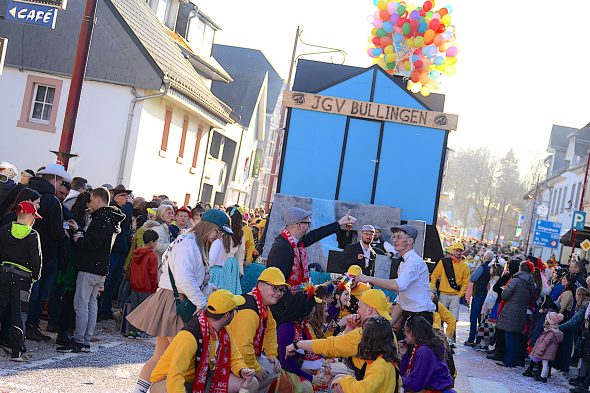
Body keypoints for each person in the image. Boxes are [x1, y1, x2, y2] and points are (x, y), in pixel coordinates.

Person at [127, 209, 232, 393]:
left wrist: (209, 288)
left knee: (162, 355)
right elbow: (184, 279)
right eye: (218, 232)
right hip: (176, 301)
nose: (218, 237)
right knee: (181, 355)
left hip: (174, 300)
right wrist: (202, 302)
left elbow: (191, 278)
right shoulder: (188, 243)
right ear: (208, 226)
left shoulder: (193, 242)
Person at [149, 290, 258, 393]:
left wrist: (241, 370)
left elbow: (235, 357)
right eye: (235, 310)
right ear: (226, 315)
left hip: (201, 378)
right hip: (166, 380)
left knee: (251, 383)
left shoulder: (225, 332)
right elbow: (175, 375)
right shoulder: (189, 336)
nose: (236, 313)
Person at [57, 187, 125, 353]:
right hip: (100, 268)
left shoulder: (101, 218)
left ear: (99, 200)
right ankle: (86, 340)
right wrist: (79, 231)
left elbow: (92, 243)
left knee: (81, 304)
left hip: (89, 267)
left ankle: (79, 340)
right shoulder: (111, 218)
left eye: (92, 199)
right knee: (92, 304)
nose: (90, 202)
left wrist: (79, 238)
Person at [285, 289, 394, 380]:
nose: (357, 311)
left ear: (369, 310)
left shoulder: (367, 332)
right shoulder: (385, 329)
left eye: (359, 307)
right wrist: (350, 327)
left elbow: (332, 347)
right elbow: (342, 344)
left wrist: (297, 344)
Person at [26, 163, 72, 342]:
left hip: (31, 249)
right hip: (49, 254)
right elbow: (56, 231)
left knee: (32, 291)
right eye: (59, 180)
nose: (60, 184)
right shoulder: (52, 201)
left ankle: (26, 325)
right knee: (40, 293)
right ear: (53, 180)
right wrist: (66, 232)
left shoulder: (30, 193)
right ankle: (32, 325)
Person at [355, 224, 435, 325]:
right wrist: (388, 325)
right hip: (411, 315)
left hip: (421, 317)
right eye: (394, 237)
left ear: (410, 241)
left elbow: (397, 286)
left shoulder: (414, 262)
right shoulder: (403, 262)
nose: (394, 240)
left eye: (399, 237)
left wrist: (368, 279)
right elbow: (402, 300)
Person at [267, 207, 356, 293]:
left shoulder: (298, 242)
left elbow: (318, 233)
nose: (309, 227)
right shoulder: (282, 247)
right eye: (308, 223)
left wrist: (339, 223)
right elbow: (276, 283)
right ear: (299, 225)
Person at [228, 267, 286, 393]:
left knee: (274, 368)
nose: (279, 293)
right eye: (275, 288)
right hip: (223, 361)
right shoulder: (250, 310)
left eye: (282, 290)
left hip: (236, 357)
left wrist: (272, 354)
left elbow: (271, 329)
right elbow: (242, 347)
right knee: (254, 381)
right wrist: (257, 369)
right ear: (260, 286)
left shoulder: (262, 306)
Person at [0, 201, 42, 361]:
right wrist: (35, 277)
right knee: (19, 314)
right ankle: (17, 352)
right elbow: (36, 260)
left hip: (3, 273)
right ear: (30, 216)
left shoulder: (4, 230)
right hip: (23, 279)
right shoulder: (33, 235)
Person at [330, 316, 401, 393]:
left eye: (363, 333)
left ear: (369, 339)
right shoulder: (385, 358)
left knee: (339, 384)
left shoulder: (380, 364)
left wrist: (343, 381)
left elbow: (362, 390)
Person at [275, 290, 324, 392]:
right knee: (307, 387)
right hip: (282, 371)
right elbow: (285, 363)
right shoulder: (286, 328)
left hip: (296, 368)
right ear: (304, 311)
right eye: (312, 313)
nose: (312, 316)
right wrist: (310, 377)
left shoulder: (302, 326)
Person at [99, 184, 133, 320]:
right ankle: (100, 309)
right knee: (106, 283)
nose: (126, 198)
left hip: (122, 251)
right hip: (113, 251)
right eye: (122, 196)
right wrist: (129, 206)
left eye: (127, 196)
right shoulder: (114, 209)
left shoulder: (125, 209)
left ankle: (106, 308)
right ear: (115, 197)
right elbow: (123, 217)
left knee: (113, 283)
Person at [399, 315, 455, 392]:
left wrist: (395, 379)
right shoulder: (423, 346)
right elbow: (409, 374)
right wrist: (404, 356)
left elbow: (415, 384)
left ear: (412, 332)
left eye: (405, 330)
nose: (404, 333)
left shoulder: (424, 351)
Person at [495, 261, 534, 367]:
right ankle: (512, 359)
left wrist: (503, 291)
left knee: (509, 336)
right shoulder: (530, 282)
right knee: (515, 337)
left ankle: (508, 360)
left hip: (510, 312)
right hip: (521, 312)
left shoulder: (516, 280)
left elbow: (505, 295)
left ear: (521, 268)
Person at [430, 242, 470, 331]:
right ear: (453, 250)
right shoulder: (444, 263)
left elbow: (465, 282)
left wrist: (460, 294)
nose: (458, 252)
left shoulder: (465, 266)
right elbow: (434, 275)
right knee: (439, 317)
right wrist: (432, 287)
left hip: (455, 295)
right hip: (443, 294)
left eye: (460, 251)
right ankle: (440, 336)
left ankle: (451, 339)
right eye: (457, 250)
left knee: (454, 319)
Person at [127, 229, 159, 338]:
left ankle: (131, 331)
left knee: (134, 308)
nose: (156, 244)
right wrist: (155, 288)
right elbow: (153, 274)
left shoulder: (136, 253)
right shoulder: (152, 256)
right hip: (146, 287)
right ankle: (140, 331)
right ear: (151, 242)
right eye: (156, 242)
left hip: (135, 285)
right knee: (144, 311)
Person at [209, 206, 244, 295]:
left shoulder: (223, 232)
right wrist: (240, 270)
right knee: (229, 288)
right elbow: (241, 252)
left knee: (218, 284)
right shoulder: (240, 233)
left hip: (221, 262)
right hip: (232, 263)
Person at [522, 312, 564, 383]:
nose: (545, 321)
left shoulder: (550, 333)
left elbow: (545, 343)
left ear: (550, 322)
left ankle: (543, 377)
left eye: (546, 320)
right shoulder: (554, 332)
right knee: (545, 364)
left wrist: (540, 351)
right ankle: (543, 376)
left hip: (545, 352)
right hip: (548, 352)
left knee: (545, 365)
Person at [465, 250, 493, 346]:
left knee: (474, 317)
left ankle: (471, 338)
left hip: (479, 294)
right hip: (488, 297)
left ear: (484, 258)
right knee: (482, 319)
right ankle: (479, 340)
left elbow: (473, 279)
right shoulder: (494, 268)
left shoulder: (482, 267)